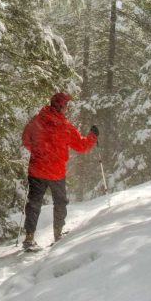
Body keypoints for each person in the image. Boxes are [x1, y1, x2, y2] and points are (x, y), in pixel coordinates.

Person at [21, 92, 99, 251]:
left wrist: (38, 153)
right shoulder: (65, 126)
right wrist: (93, 136)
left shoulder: (37, 120)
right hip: (56, 172)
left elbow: (26, 140)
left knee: (34, 203)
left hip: (37, 170)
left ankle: (29, 237)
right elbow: (81, 146)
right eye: (66, 105)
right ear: (61, 106)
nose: (67, 108)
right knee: (60, 203)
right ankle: (58, 234)